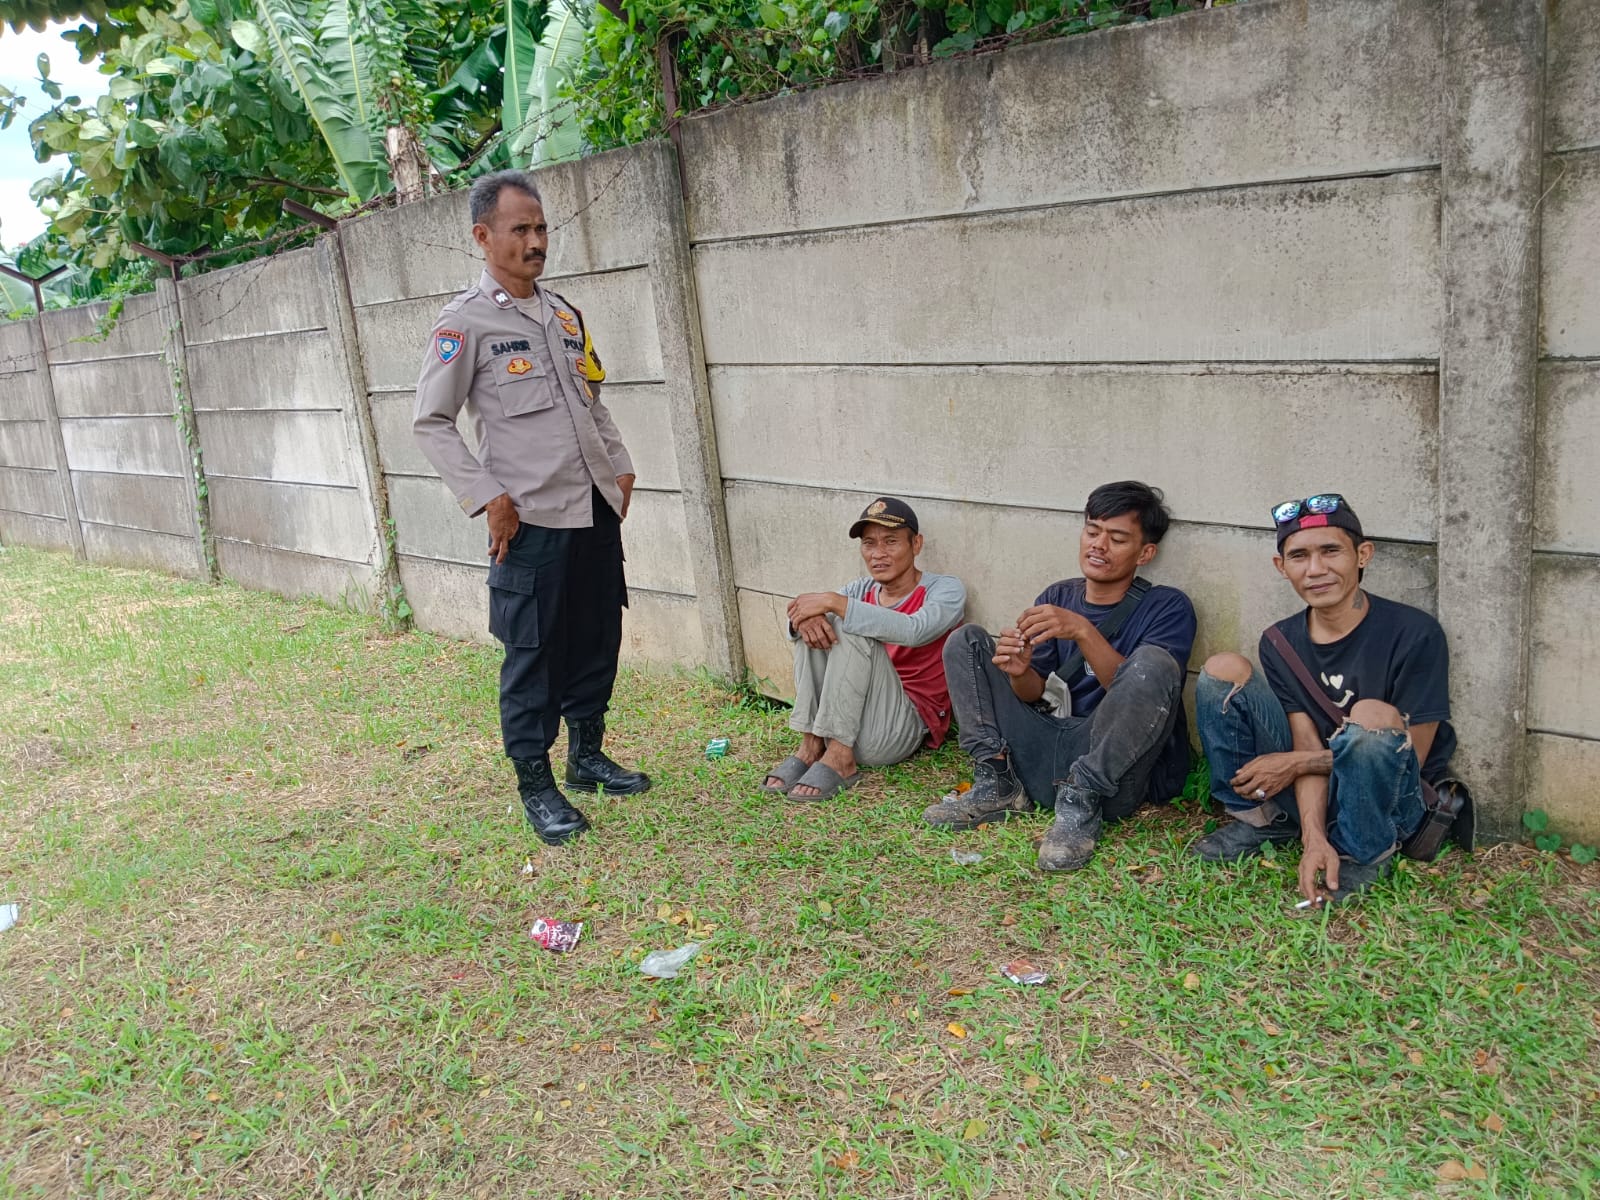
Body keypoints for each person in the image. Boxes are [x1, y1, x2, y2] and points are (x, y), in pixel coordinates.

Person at [412, 169, 649, 846]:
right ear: (484, 237)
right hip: (532, 518)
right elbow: (430, 421)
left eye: (542, 228)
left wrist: (622, 465)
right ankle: (535, 785)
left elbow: (591, 401)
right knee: (533, 653)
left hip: (594, 509)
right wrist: (488, 497)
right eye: (521, 229)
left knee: (596, 637)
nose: (536, 241)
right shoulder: (465, 324)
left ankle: (587, 756)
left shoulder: (565, 314)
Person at [1191, 494, 1455, 904]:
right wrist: (1313, 838)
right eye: (1299, 556)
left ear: (1362, 555)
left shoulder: (1415, 633)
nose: (1315, 569)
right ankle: (1265, 821)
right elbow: (1304, 740)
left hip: (1388, 798)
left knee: (1370, 715)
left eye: (1330, 551)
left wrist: (1297, 762)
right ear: (1282, 567)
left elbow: (1411, 755)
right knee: (1224, 668)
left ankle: (1364, 851)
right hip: (1314, 789)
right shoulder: (1281, 642)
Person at [925, 481, 1196, 872]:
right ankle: (997, 781)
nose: (1099, 545)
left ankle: (1080, 805)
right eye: (1092, 531)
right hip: (1046, 750)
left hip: (1108, 770)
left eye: (1117, 538)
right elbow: (1037, 694)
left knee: (1153, 661)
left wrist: (1084, 631)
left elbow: (1141, 690)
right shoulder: (1058, 597)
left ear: (1145, 553)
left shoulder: (1168, 606)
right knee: (966, 642)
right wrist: (1018, 671)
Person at [763, 497, 966, 800]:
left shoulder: (944, 589)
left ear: (917, 544)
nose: (878, 554)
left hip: (897, 728)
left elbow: (916, 630)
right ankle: (811, 746)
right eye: (869, 544)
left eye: (891, 542)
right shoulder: (859, 590)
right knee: (820, 623)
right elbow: (813, 622)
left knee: (845, 620)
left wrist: (832, 603)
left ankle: (841, 758)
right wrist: (805, 619)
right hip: (847, 723)